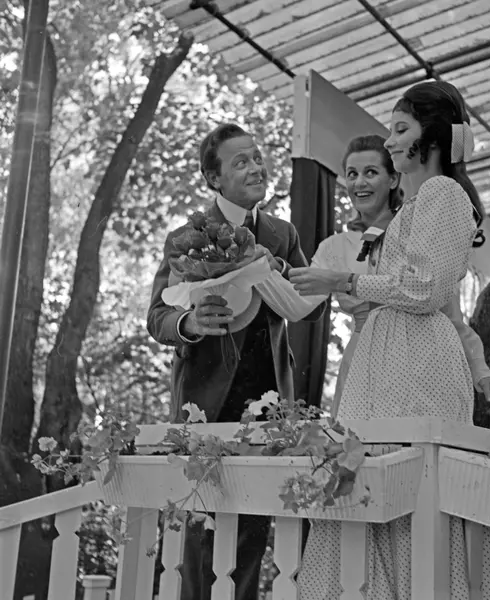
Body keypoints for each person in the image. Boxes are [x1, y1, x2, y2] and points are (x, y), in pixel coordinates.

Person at [290, 81, 490, 599]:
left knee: (404, 485)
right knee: (376, 482)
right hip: (392, 358)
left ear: (431, 137)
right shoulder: (419, 204)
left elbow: (426, 290)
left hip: (416, 361)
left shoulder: (441, 193)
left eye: (400, 130)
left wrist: (344, 281)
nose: (390, 142)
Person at [146, 123, 324, 600]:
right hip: (204, 403)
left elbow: (312, 304)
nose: (256, 167)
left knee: (251, 533)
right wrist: (190, 321)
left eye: (257, 157)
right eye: (240, 161)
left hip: (268, 405)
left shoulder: (283, 234)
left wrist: (280, 267)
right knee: (198, 533)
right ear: (214, 178)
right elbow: (157, 317)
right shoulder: (185, 237)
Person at [311, 134, 490, 418]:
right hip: (362, 357)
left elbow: (448, 309)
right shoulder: (335, 246)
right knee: (353, 440)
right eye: (352, 174)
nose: (359, 183)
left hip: (414, 356)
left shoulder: (417, 230)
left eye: (370, 172)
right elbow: (298, 301)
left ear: (393, 179)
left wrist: (479, 366)